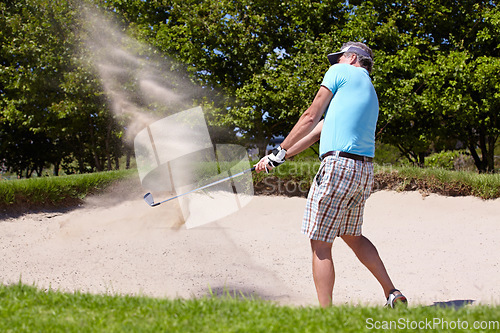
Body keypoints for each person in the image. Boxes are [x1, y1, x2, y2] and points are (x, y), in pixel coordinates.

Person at [254, 41, 407, 308]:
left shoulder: (341, 72)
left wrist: (279, 148)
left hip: (338, 168)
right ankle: (393, 294)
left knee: (321, 244)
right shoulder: (366, 91)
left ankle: (327, 316)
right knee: (353, 236)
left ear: (351, 58)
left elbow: (310, 115)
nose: (333, 64)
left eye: (338, 59)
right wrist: (278, 157)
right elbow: (315, 133)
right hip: (362, 171)